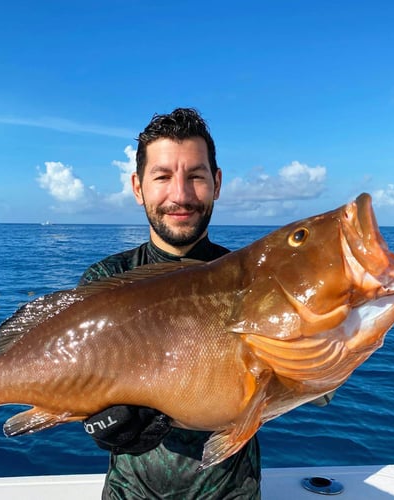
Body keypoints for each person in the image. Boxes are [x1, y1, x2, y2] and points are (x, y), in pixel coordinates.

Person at [79, 108, 262, 498]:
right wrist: (100, 425)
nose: (180, 195)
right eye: (162, 176)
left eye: (196, 176)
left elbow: (308, 378)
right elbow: (77, 385)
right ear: (138, 186)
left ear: (216, 182)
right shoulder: (104, 281)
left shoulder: (252, 281)